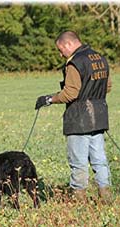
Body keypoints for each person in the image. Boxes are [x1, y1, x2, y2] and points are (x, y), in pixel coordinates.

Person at [35, 31, 112, 204]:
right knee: (100, 160)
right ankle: (106, 199)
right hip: (99, 116)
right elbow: (108, 86)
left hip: (79, 119)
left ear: (68, 44)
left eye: (61, 49)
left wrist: (49, 99)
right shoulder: (99, 58)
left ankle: (79, 201)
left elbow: (70, 93)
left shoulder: (75, 63)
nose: (60, 54)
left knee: (78, 162)